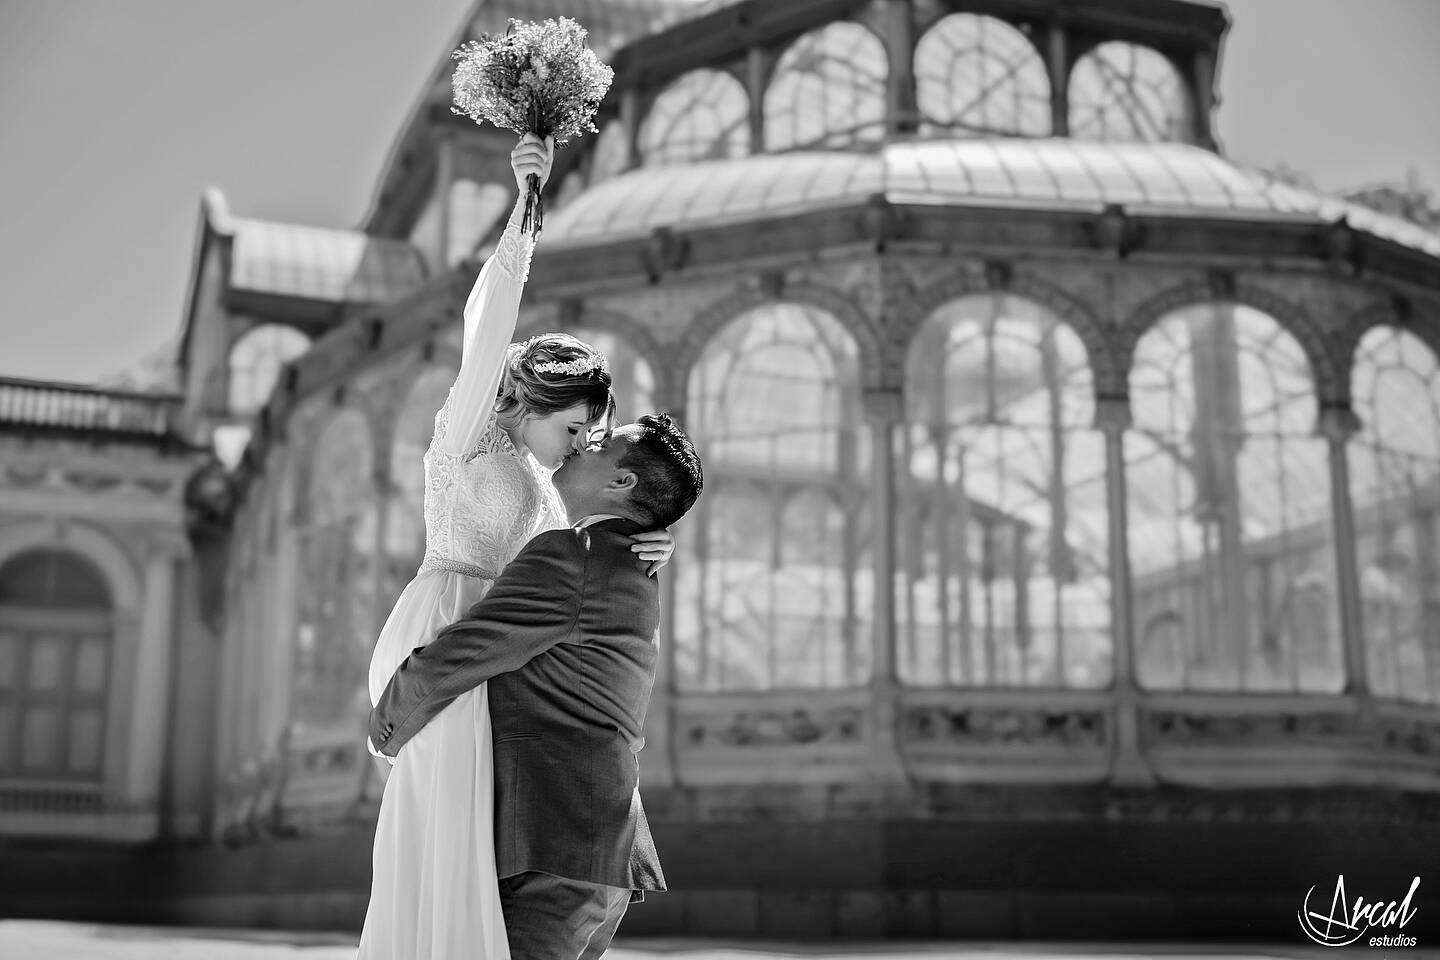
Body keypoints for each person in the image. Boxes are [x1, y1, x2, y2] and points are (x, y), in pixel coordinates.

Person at [357, 135, 674, 960]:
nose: (579, 450)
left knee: (465, 846)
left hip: (488, 654)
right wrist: (526, 207)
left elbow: (575, 573)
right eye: (573, 429)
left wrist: (645, 539)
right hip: (446, 626)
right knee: (446, 837)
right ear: (533, 398)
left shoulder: (547, 486)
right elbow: (488, 317)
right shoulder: (467, 436)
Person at [371, 413, 703, 960]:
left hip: (551, 846)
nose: (581, 445)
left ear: (621, 483)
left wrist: (385, 728)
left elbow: (463, 652)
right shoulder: (631, 562)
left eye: (599, 442)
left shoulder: (574, 555)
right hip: (598, 851)